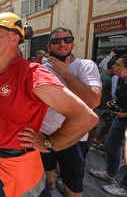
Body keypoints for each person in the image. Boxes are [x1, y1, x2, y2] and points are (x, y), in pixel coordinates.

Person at [0, 12, 99, 196]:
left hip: (20, 167)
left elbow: (86, 117)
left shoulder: (32, 73)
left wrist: (49, 144)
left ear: (14, 39)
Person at [39, 27, 102, 195]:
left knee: (72, 186)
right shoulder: (42, 68)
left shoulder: (85, 66)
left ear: (73, 44)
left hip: (73, 137)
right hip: (44, 132)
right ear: (49, 46)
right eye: (56, 41)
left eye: (67, 40)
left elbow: (93, 101)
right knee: (47, 176)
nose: (62, 44)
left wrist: (66, 73)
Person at [90, 54, 127, 196]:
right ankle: (111, 174)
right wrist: (113, 103)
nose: (113, 66)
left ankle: (124, 188)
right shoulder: (120, 80)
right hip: (119, 121)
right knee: (111, 145)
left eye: (118, 65)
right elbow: (119, 97)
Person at [89, 58, 116, 155]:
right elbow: (98, 91)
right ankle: (92, 143)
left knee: (107, 123)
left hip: (102, 106)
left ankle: (96, 141)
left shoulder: (108, 77)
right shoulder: (105, 77)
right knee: (95, 125)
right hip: (100, 106)